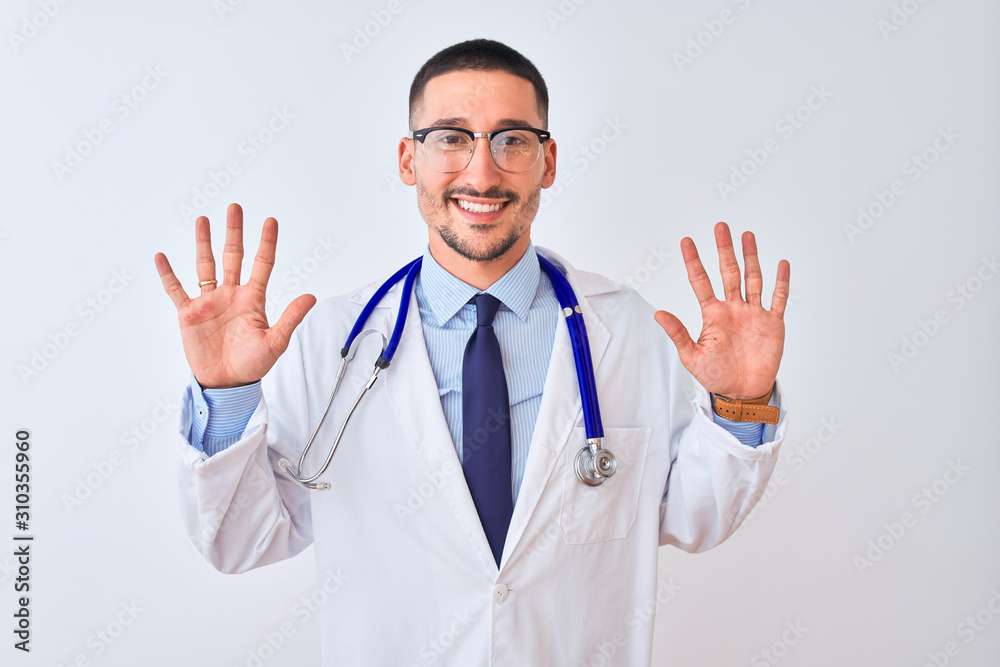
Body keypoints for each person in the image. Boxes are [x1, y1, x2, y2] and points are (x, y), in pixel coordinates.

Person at [154, 39, 790, 666]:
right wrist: (228, 393)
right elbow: (239, 541)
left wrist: (744, 403)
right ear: (409, 159)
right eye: (451, 138)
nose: (482, 172)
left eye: (512, 139)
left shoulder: (631, 332)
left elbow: (697, 517)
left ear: (549, 161)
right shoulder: (329, 343)